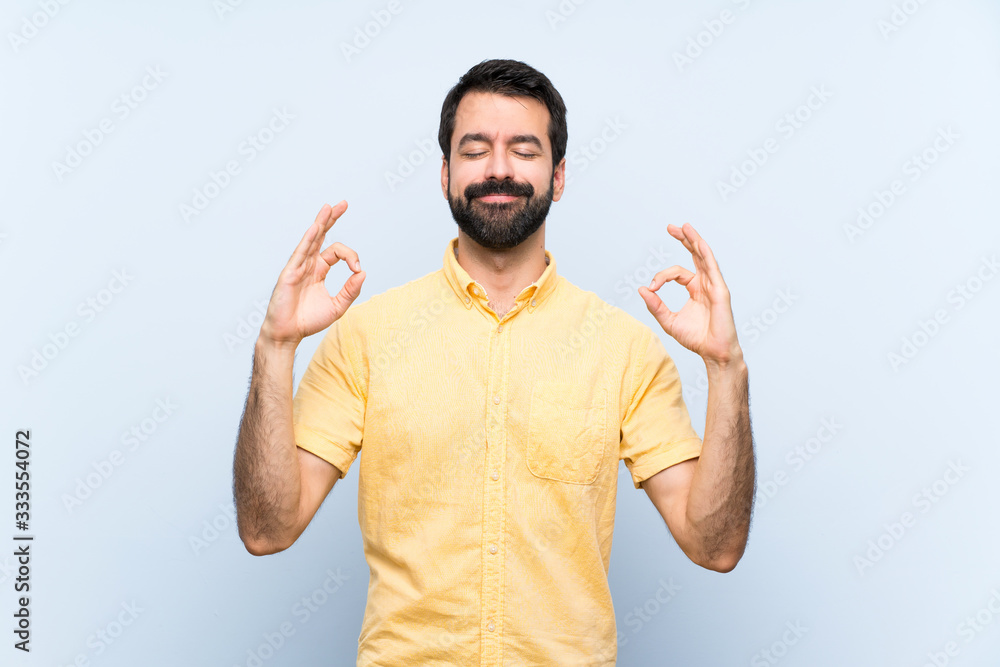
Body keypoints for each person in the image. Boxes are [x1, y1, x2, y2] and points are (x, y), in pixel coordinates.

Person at [233, 58, 755, 666]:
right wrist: (275, 347)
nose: (499, 168)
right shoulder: (366, 338)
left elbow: (714, 546)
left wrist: (727, 368)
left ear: (559, 175)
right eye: (476, 150)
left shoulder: (624, 350)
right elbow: (267, 530)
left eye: (524, 150)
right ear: (446, 173)